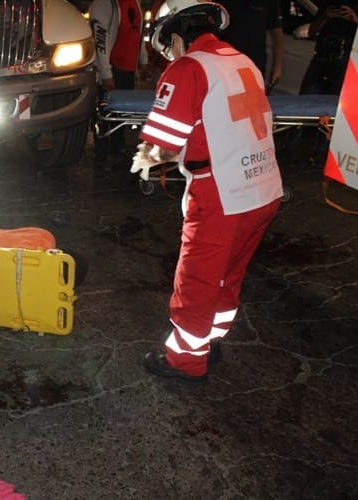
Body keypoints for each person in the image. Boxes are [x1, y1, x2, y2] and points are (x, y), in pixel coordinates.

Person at [132, 0, 283, 382]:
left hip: (222, 194)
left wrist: (147, 156)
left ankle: (184, 360)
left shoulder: (188, 68)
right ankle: (210, 342)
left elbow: (164, 141)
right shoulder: (242, 60)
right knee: (227, 277)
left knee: (198, 280)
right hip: (264, 188)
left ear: (177, 34)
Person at [89, 0, 143, 166]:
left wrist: (142, 59)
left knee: (122, 114)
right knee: (105, 114)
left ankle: (117, 146)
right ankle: (101, 154)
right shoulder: (104, 4)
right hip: (113, 67)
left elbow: (137, 33)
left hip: (128, 68)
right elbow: (100, 40)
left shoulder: (134, 2)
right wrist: (106, 72)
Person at [299, 0, 358, 95]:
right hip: (322, 60)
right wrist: (325, 17)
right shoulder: (328, 5)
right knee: (307, 99)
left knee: (335, 103)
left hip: (346, 64)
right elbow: (311, 31)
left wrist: (355, 19)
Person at [217, 0, 284, 93]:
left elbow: (277, 33)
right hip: (225, 64)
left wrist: (277, 66)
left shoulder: (269, 2)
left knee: (254, 102)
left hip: (255, 65)